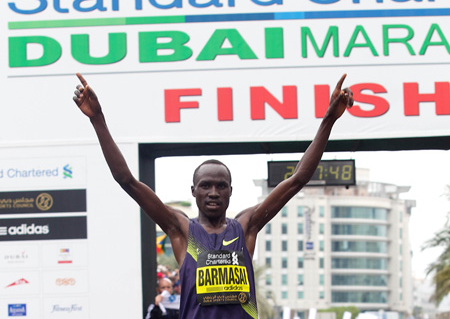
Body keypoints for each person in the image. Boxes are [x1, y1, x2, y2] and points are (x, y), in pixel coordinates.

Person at [73, 73, 353, 319]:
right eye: (205, 186)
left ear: (231, 191)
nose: (213, 192)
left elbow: (298, 180)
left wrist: (329, 119)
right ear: (193, 192)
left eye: (221, 186)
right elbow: (127, 181)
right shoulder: (181, 229)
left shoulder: (246, 226)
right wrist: (97, 119)